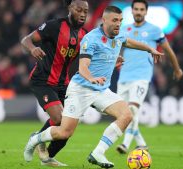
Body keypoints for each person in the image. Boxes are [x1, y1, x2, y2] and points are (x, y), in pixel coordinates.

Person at [23, 6, 163, 168]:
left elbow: (128, 42)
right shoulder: (91, 38)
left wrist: (149, 49)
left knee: (126, 115)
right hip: (81, 89)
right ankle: (36, 139)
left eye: (120, 21)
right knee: (64, 132)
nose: (118, 24)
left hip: (101, 90)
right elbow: (83, 67)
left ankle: (98, 153)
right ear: (104, 20)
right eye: (115, 20)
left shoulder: (119, 35)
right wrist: (92, 78)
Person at [20, 0, 88, 166]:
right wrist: (33, 49)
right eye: (79, 10)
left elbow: (89, 58)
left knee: (68, 128)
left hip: (64, 84)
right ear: (70, 8)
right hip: (42, 80)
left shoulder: (84, 35)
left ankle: (47, 157)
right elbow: (26, 40)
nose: (83, 14)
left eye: (85, 11)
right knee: (58, 118)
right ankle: (36, 138)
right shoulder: (54, 26)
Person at [116, 0, 183, 154]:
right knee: (122, 115)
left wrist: (177, 68)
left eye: (141, 9)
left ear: (146, 12)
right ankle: (141, 144)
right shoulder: (124, 30)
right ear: (131, 11)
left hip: (142, 76)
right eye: (136, 9)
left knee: (132, 109)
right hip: (124, 76)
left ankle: (125, 144)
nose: (138, 12)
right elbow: (115, 51)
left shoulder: (155, 30)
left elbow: (168, 50)